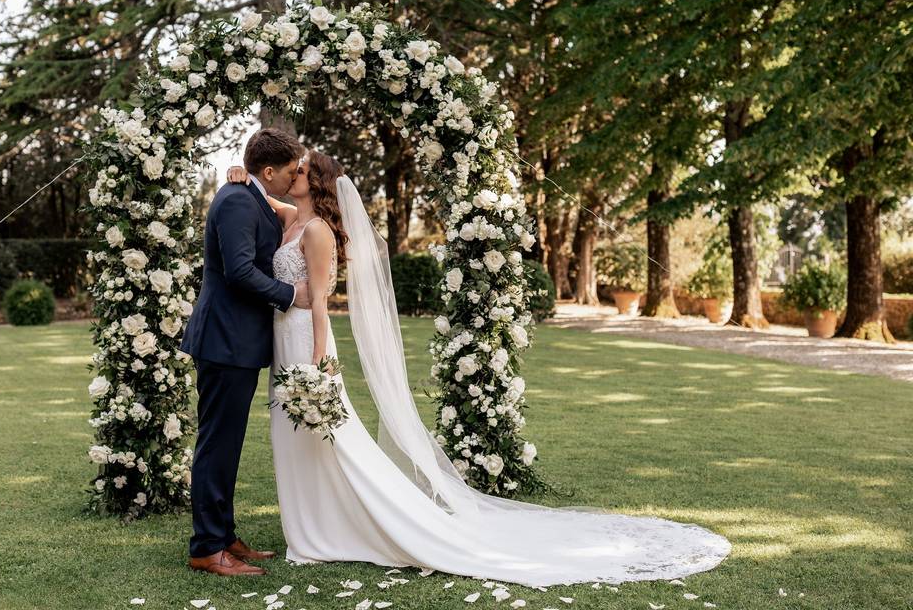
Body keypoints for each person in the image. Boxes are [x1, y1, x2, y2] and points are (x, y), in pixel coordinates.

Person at [223, 151, 731, 587]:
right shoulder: (293, 216)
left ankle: (337, 528)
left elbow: (321, 302)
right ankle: (315, 524)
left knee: (332, 440)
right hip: (282, 340)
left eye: (304, 169)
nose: (295, 171)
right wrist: (240, 176)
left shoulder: (315, 230)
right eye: (293, 168)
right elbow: (264, 198)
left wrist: (317, 363)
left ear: (317, 181)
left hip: (306, 345)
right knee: (300, 440)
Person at [179, 128, 312, 576]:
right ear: (269, 171)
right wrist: (292, 294)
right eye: (290, 171)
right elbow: (237, 272)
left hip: (236, 341)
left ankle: (224, 534)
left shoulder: (250, 195)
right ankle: (206, 547)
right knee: (217, 445)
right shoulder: (237, 200)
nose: (295, 177)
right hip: (224, 339)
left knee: (228, 443)